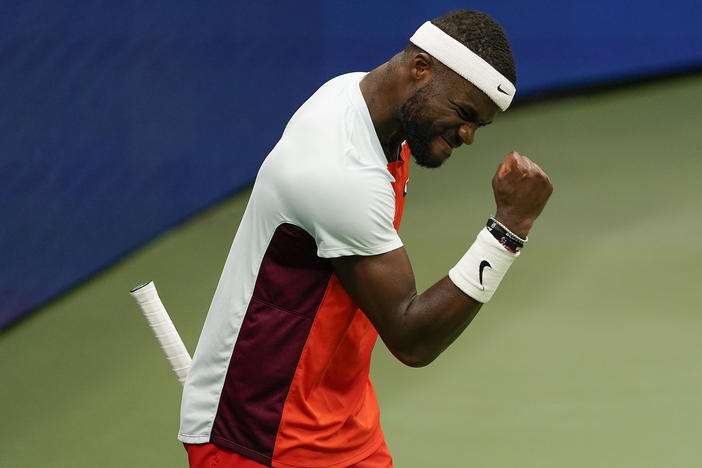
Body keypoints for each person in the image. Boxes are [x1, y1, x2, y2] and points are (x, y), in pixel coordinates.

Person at [179, 9, 552, 468]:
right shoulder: (340, 169)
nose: (468, 136)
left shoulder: (369, 108)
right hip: (262, 439)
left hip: (340, 418)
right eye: (464, 114)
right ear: (421, 67)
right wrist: (507, 230)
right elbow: (412, 338)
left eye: (480, 125)